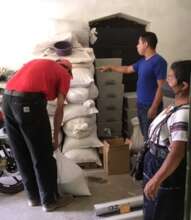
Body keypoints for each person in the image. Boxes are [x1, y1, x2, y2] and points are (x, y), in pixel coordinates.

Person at [2, 58, 73, 212]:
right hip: (27, 102)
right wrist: (55, 138)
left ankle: (33, 198)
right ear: (68, 69)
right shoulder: (64, 74)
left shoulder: (38, 64)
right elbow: (60, 108)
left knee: (22, 153)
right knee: (42, 154)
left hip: (7, 100)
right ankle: (50, 201)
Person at [143, 60, 191, 220]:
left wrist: (157, 179)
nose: (165, 82)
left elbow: (177, 153)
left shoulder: (183, 114)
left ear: (184, 86)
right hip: (154, 161)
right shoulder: (173, 107)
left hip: (164, 167)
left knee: (161, 211)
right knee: (152, 208)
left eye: (170, 78)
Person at [98, 31, 167, 141]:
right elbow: (127, 69)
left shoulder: (159, 62)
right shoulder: (142, 61)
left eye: (139, 43)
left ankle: (152, 156)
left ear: (146, 44)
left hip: (150, 105)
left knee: (152, 135)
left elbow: (161, 86)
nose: (137, 46)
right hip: (141, 104)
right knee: (145, 133)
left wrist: (154, 107)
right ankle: (147, 155)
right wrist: (110, 67)